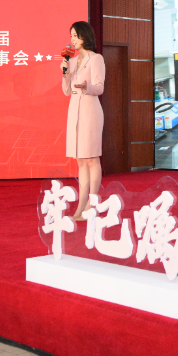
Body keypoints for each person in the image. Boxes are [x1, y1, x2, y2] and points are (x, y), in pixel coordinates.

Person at [61, 21, 104, 220]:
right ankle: (80, 207)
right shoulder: (70, 62)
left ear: (85, 36)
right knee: (80, 160)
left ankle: (91, 205)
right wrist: (65, 73)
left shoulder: (96, 59)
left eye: (75, 35)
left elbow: (99, 87)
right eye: (71, 35)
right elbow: (66, 91)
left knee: (91, 158)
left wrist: (86, 87)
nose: (72, 39)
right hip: (75, 111)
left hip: (90, 110)